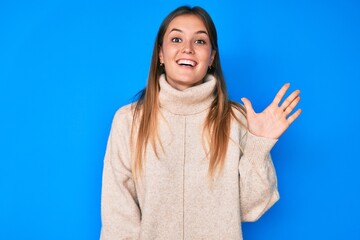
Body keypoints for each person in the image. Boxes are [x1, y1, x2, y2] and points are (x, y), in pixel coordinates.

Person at [100, 5, 301, 240]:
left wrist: (259, 145)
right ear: (161, 54)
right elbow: (118, 218)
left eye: (200, 42)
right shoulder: (129, 121)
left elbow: (250, 209)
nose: (187, 49)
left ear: (212, 57)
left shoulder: (236, 119)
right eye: (176, 39)